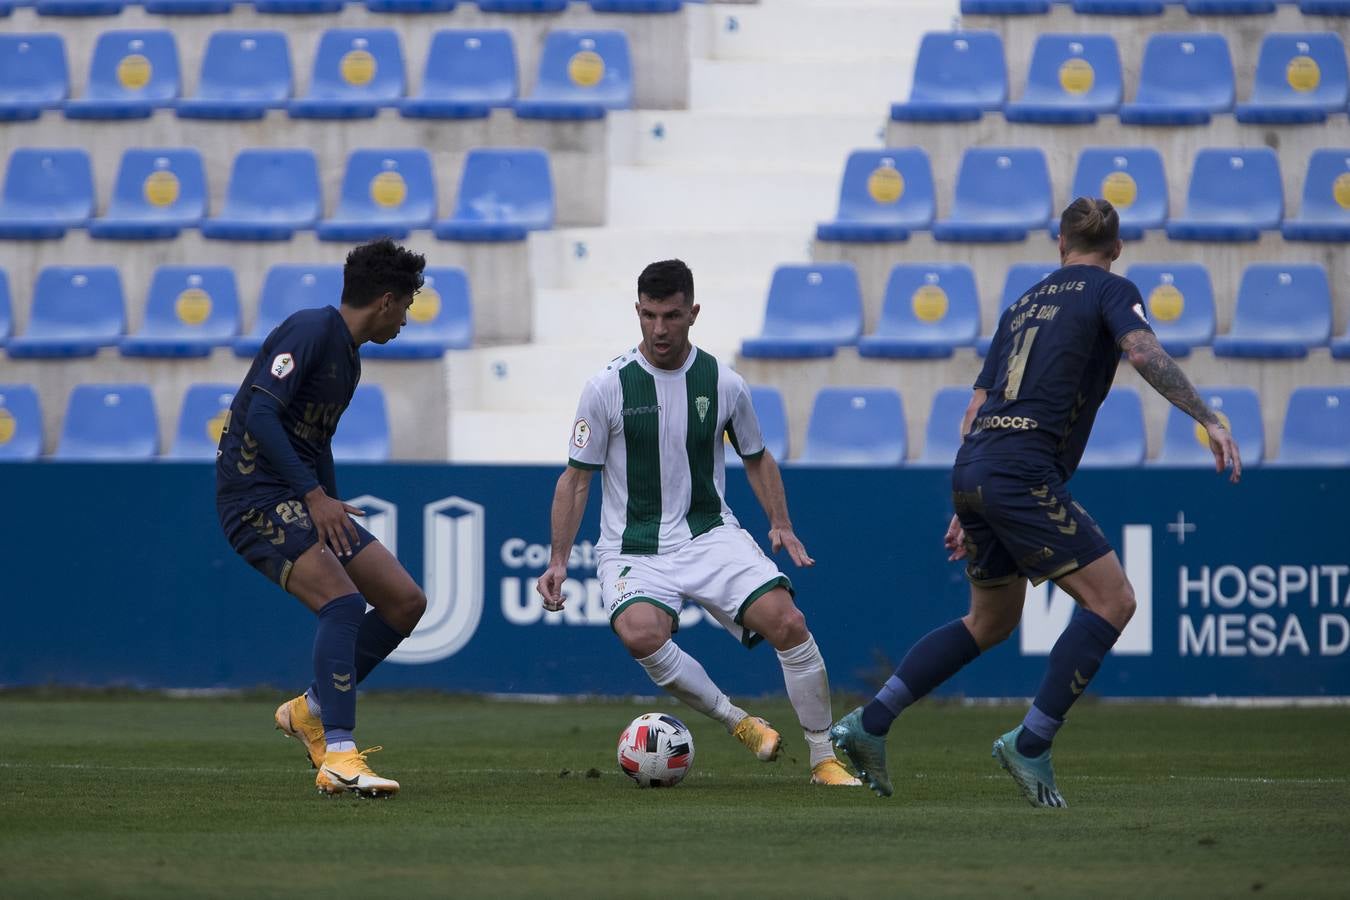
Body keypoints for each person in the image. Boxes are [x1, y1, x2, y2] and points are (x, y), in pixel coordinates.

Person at [831, 198, 1242, 806]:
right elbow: (1144, 353)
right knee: (1115, 600)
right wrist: (1209, 417)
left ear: (1059, 243)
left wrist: (965, 501)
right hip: (1021, 471)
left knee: (991, 621)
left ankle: (869, 724)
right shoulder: (1110, 288)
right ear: (1117, 248)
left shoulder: (1022, 305)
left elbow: (975, 408)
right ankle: (1031, 743)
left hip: (976, 468)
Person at [537, 259, 860, 786]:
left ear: (693, 313)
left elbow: (756, 456)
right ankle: (739, 722)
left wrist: (780, 521)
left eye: (671, 315)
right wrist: (557, 559)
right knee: (641, 633)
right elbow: (575, 479)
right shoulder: (606, 387)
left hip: (709, 534)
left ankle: (824, 758)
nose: (659, 329)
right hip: (632, 548)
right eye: (648, 315)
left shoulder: (723, 383)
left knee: (789, 623)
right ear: (637, 313)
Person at [215, 239, 429, 798]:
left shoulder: (349, 356)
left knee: (405, 601)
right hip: (253, 496)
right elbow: (261, 411)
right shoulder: (310, 329)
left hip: (299, 494)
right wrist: (314, 497)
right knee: (342, 602)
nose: (406, 319)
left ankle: (311, 709)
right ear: (386, 300)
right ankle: (337, 753)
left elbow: (316, 440)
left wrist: (327, 501)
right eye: (406, 305)